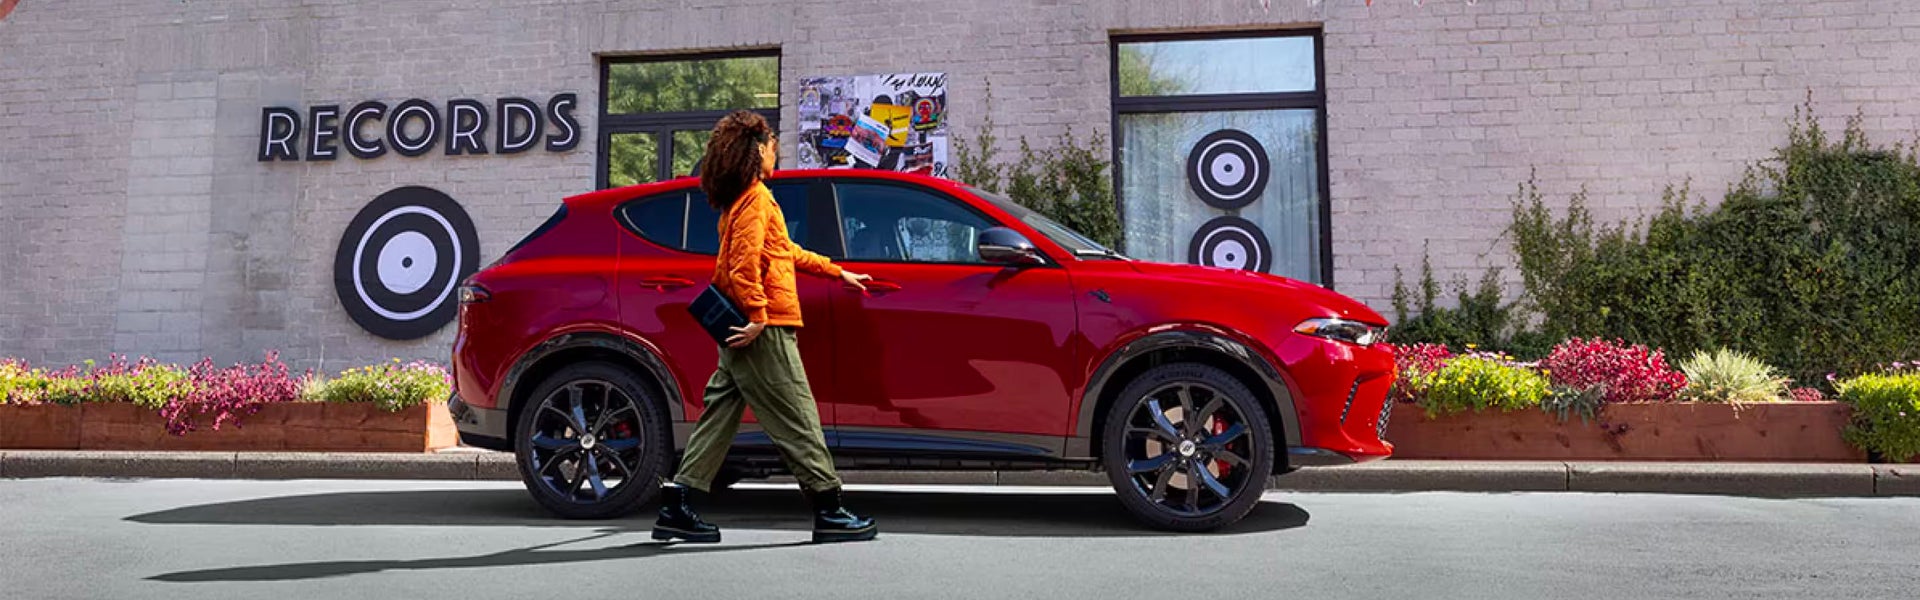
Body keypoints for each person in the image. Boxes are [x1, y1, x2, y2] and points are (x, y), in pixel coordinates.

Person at [653, 110, 879, 545]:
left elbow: (783, 249)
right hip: (763, 331)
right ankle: (829, 509)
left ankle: (676, 505)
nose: (777, 154)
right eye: (774, 147)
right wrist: (758, 317)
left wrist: (836, 272)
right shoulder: (755, 199)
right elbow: (742, 265)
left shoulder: (745, 200)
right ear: (757, 150)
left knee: (718, 415)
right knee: (799, 415)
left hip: (743, 330)